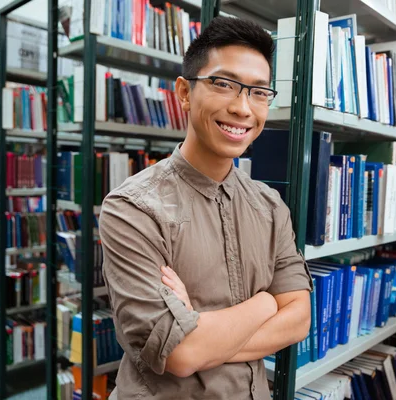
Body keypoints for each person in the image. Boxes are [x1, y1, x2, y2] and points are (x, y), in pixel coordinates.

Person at [99, 16, 313, 400]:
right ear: (184, 92)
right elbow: (179, 353)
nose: (243, 108)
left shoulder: (269, 205)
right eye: (224, 84)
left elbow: (299, 320)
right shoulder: (132, 209)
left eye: (259, 92)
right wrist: (266, 303)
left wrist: (201, 334)